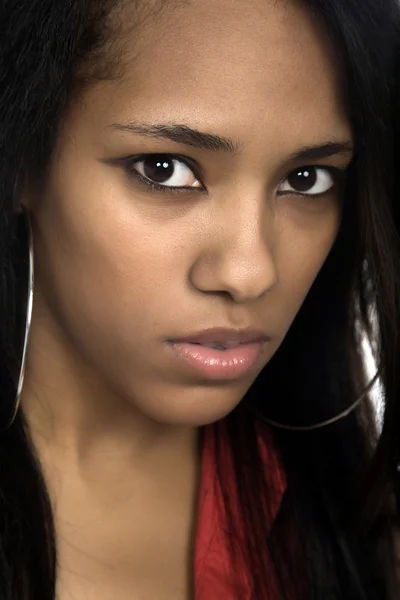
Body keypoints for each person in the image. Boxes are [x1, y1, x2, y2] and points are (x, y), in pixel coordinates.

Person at [1, 0, 400, 598]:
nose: (250, 273)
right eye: (164, 169)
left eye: (306, 179)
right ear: (21, 164)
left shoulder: (365, 525)